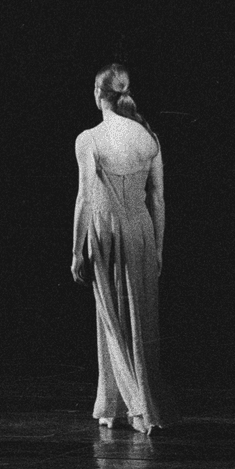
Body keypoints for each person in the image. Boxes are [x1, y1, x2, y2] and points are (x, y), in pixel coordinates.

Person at [70, 64, 167, 435]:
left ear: (98, 94)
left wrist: (76, 249)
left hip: (107, 229)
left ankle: (129, 405)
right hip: (141, 228)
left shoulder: (89, 138)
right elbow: (158, 198)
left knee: (110, 318)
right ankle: (120, 402)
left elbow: (84, 197)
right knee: (141, 318)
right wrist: (158, 245)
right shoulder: (148, 138)